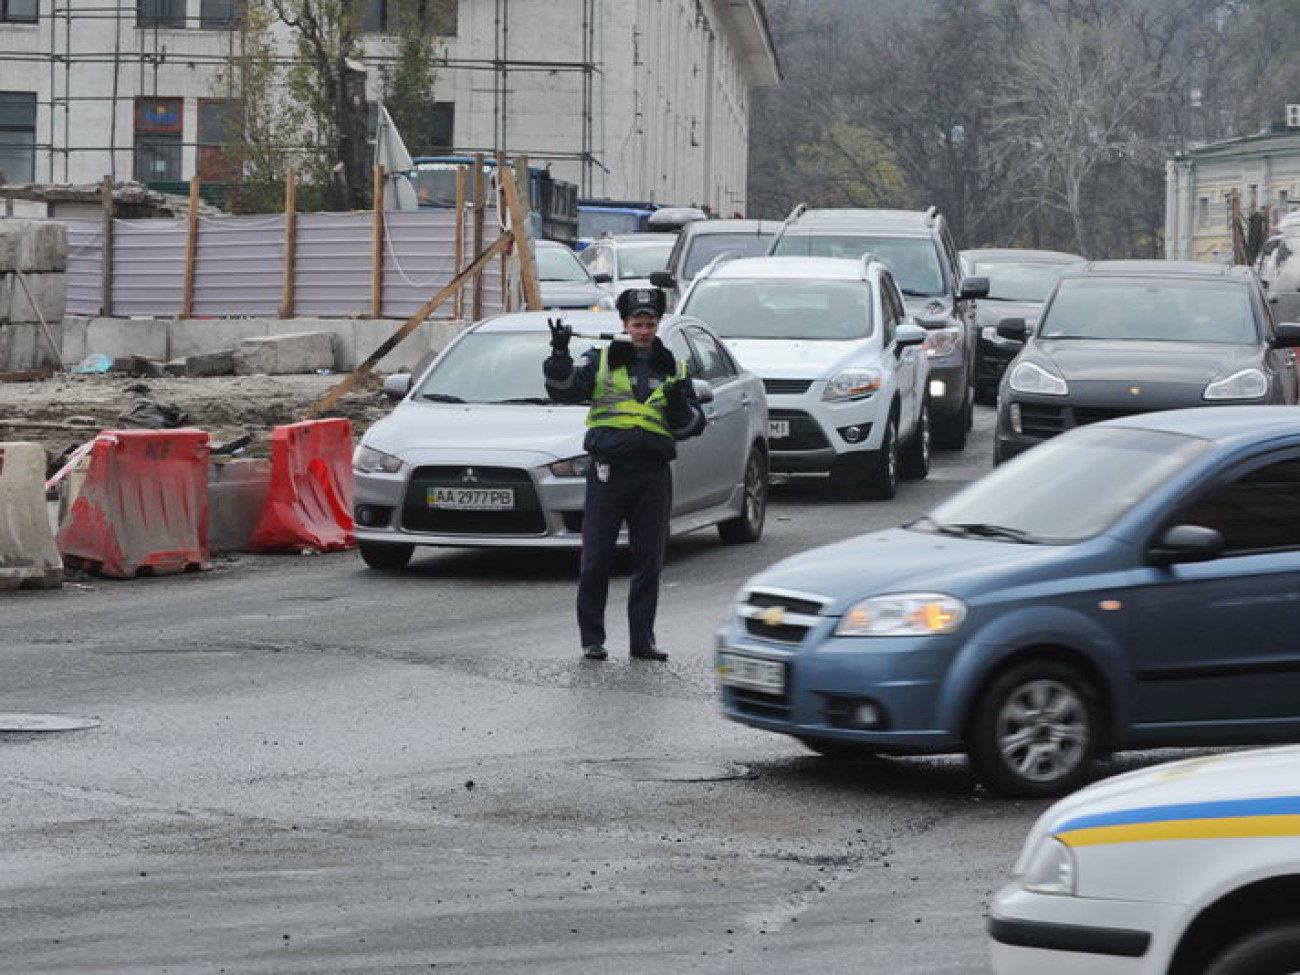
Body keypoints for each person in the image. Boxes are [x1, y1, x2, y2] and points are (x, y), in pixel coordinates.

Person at [542, 287, 707, 662]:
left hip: (652, 474)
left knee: (649, 561)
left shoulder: (674, 367)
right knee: (596, 560)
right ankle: (592, 640)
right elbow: (563, 392)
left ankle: (642, 641)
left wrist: (681, 403)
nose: (643, 331)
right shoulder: (600, 359)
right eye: (637, 324)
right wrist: (558, 356)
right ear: (624, 324)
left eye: (649, 324)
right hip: (608, 473)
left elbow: (691, 426)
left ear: (658, 324)